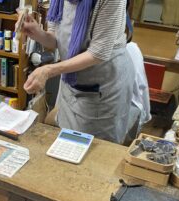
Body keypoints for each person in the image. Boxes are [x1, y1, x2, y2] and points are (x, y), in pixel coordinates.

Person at [17, 0, 135, 144]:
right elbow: (56, 40)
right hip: (73, 79)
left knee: (95, 149)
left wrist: (49, 70)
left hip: (103, 85)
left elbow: (97, 53)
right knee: (67, 142)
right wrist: (37, 33)